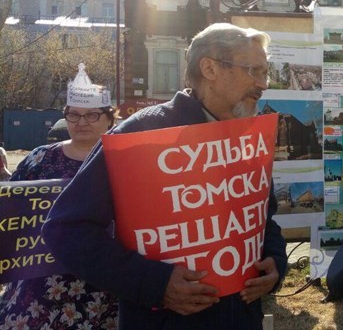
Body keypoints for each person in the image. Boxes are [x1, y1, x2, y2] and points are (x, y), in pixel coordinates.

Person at [42, 23, 287, 329]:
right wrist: (155, 284)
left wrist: (276, 263)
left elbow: (265, 218)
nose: (263, 84)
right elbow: (66, 230)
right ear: (210, 68)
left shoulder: (249, 138)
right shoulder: (142, 134)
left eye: (265, 72)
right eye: (254, 70)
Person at [0, 64, 120, 329]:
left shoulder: (124, 162)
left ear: (109, 118)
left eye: (91, 116)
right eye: (73, 115)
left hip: (100, 284)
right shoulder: (40, 157)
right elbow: (10, 210)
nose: (81, 123)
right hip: (39, 283)